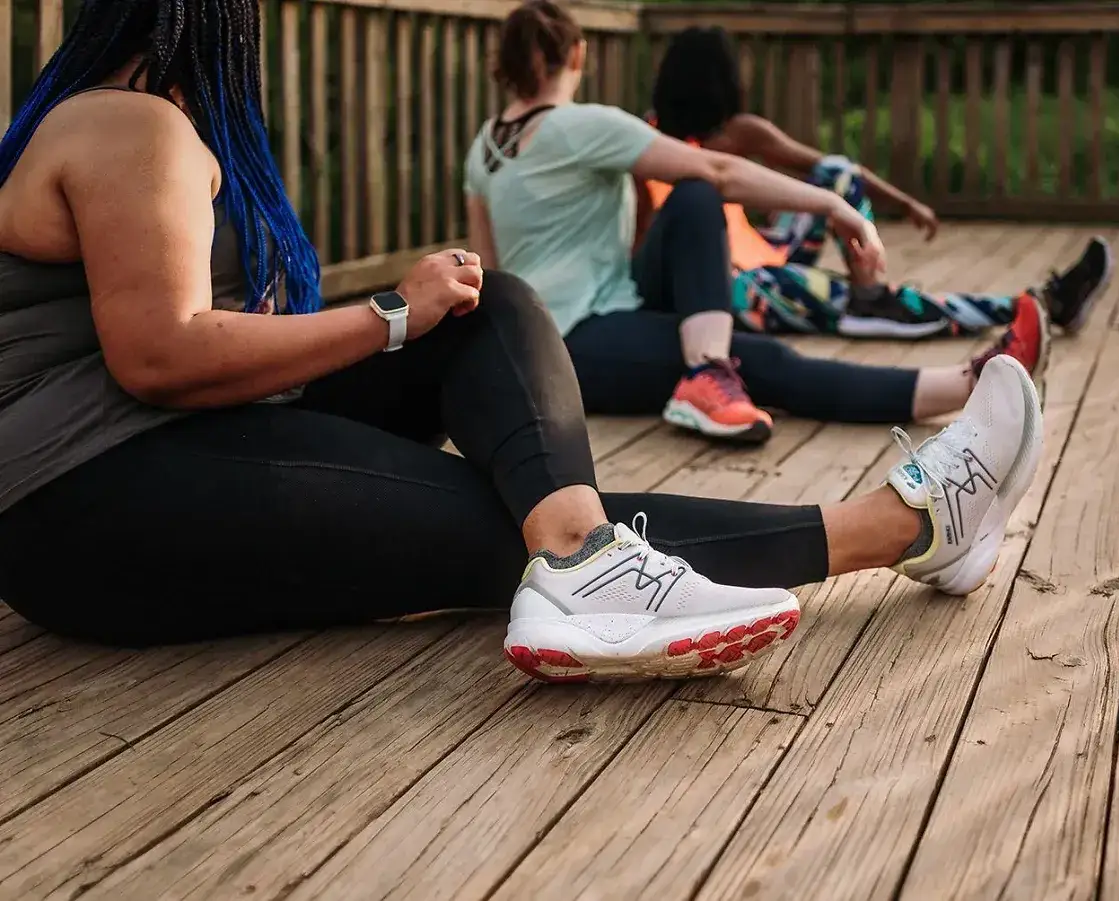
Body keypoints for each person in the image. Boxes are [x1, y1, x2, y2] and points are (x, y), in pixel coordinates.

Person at [0, 0, 1042, 686]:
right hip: (82, 499)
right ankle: (901, 526)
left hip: (179, 440)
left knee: (488, 306)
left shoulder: (142, 123)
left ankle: (586, 558)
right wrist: (386, 316)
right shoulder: (133, 126)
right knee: (495, 527)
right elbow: (159, 354)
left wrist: (421, 311)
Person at [465, 0, 1052, 446]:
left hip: (552, 329)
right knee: (763, 359)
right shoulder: (583, 124)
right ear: (579, 55)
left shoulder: (483, 150)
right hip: (574, 345)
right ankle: (971, 387)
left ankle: (708, 372)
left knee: (693, 200)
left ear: (507, 68)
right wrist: (831, 204)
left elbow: (488, 273)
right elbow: (720, 168)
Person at [644, 26, 1114, 341]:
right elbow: (642, 245)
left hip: (768, 255)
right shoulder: (643, 144)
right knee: (861, 302)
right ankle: (1038, 306)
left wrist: (904, 202)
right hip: (732, 287)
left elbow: (837, 168)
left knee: (836, 174)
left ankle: (871, 288)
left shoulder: (739, 133)